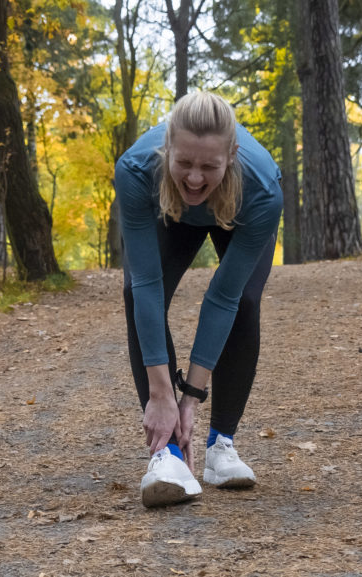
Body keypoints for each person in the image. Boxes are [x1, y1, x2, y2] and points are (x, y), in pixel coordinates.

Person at [115, 91, 283, 507]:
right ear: (166, 147)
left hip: (238, 208)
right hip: (168, 211)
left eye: (209, 165)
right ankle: (167, 454)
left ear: (232, 154)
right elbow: (148, 285)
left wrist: (190, 397)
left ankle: (220, 445)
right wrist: (162, 395)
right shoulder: (137, 171)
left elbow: (221, 298)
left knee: (243, 299)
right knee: (135, 289)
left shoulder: (263, 189)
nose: (194, 178)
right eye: (184, 162)